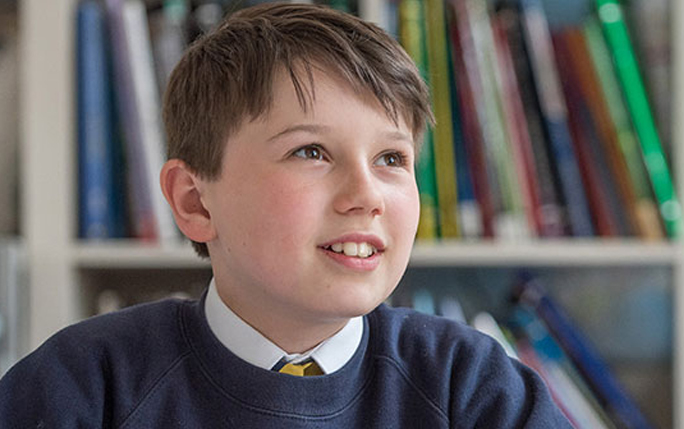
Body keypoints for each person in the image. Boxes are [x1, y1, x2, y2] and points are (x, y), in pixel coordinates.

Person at [0, 2, 572, 427]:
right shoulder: (82, 387)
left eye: (391, 158)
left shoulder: (470, 386)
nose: (365, 193)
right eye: (311, 152)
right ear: (195, 202)